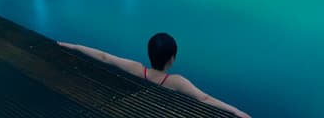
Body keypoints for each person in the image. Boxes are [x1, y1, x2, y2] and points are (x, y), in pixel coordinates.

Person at [58, 33, 250, 118]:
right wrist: (235, 111)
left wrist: (74, 46)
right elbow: (204, 98)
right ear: (172, 59)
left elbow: (104, 57)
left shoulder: (135, 68)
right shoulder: (175, 81)